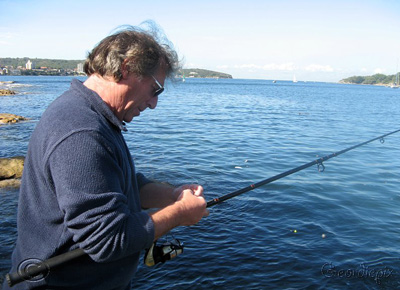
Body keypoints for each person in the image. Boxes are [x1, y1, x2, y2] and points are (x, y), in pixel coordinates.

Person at [4, 23, 208, 290]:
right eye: (155, 89)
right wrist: (179, 214)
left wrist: (171, 196)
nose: (154, 103)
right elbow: (108, 240)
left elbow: (118, 185)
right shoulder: (81, 131)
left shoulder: (91, 117)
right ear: (127, 68)